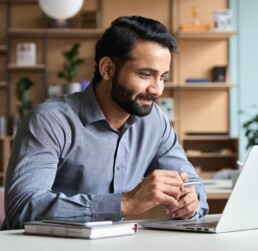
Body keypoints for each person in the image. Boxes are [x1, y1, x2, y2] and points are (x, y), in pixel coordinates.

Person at [2, 16, 208, 230]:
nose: (157, 89)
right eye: (146, 74)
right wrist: (125, 203)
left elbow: (195, 189)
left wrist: (190, 205)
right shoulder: (49, 122)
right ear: (107, 69)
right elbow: (22, 209)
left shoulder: (155, 122)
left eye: (162, 77)